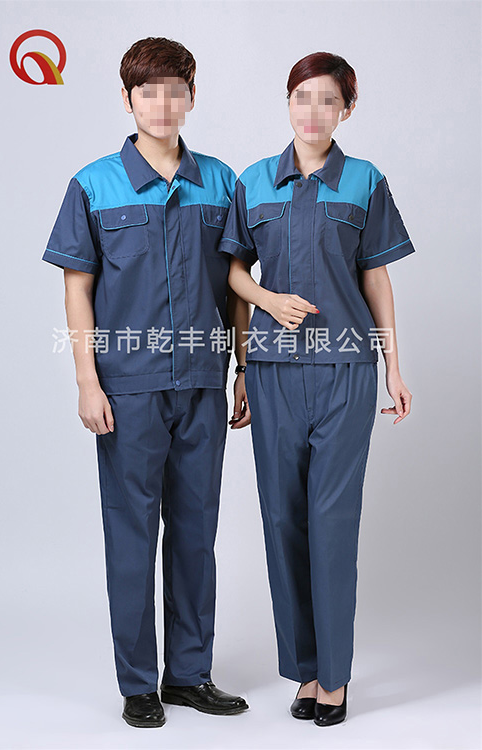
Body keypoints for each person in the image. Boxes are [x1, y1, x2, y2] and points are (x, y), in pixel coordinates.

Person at [42, 36, 250, 728]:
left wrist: (244, 368)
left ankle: (188, 674)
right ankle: (138, 683)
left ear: (192, 96)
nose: (161, 104)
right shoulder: (93, 184)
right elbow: (78, 289)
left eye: (174, 90)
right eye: (147, 91)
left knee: (196, 531)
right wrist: (87, 381)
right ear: (128, 99)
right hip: (127, 385)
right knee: (131, 532)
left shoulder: (221, 182)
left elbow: (236, 286)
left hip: (202, 380)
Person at [217, 51, 415, 727]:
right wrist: (264, 314)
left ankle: (334, 679)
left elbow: (377, 277)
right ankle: (303, 669)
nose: (313, 112)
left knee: (332, 521)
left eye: (328, 100)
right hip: (273, 372)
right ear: (288, 103)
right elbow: (233, 272)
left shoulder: (365, 181)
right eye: (302, 97)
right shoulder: (253, 181)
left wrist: (393, 366)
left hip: (346, 373)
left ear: (347, 110)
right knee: (282, 520)